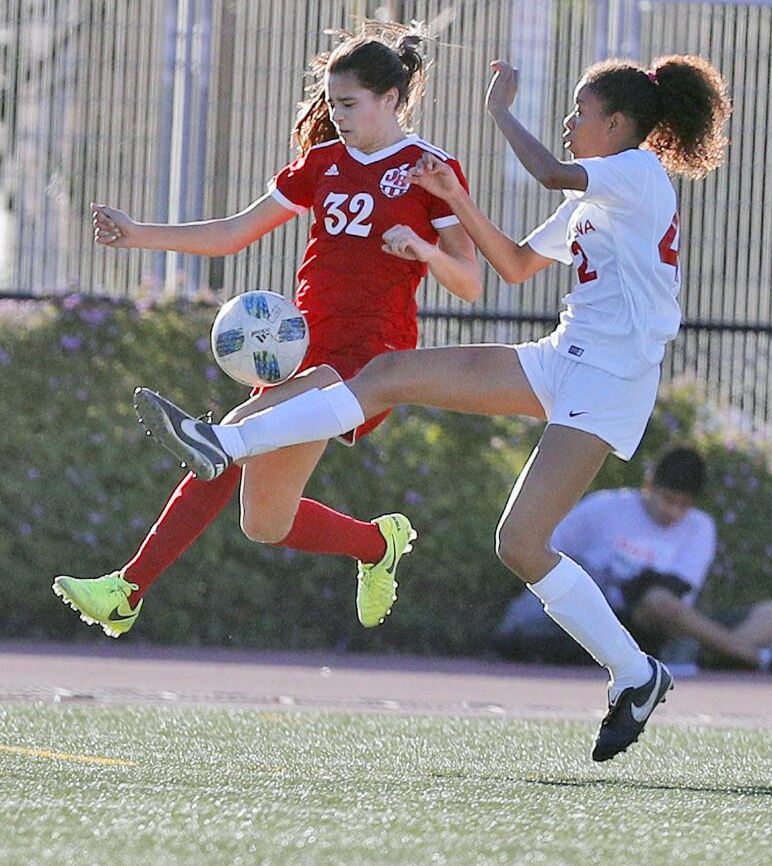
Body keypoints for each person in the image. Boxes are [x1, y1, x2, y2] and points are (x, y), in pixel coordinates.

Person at [132, 52, 732, 762]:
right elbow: (509, 266)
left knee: (520, 544)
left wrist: (502, 110)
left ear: (621, 125)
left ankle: (635, 674)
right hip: (562, 359)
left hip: (612, 381)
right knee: (385, 374)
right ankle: (226, 445)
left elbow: (547, 171)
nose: (570, 123)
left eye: (580, 113)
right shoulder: (590, 202)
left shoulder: (634, 173)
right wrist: (454, 195)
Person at [52, 21, 482, 638]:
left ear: (391, 99)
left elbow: (469, 281)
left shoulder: (428, 170)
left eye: (349, 104)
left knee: (226, 437)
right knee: (265, 523)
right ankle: (375, 545)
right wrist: (138, 233)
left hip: (369, 360)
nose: (336, 116)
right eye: (331, 104)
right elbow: (232, 233)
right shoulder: (322, 164)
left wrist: (423, 249)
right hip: (306, 350)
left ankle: (126, 588)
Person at [495, 445, 772, 672]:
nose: (673, 513)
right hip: (612, 618)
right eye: (668, 500)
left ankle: (710, 652)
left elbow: (673, 595)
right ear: (649, 486)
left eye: (684, 505)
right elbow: (543, 550)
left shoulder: (700, 526)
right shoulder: (602, 509)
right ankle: (751, 656)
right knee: (657, 602)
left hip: (670, 624)